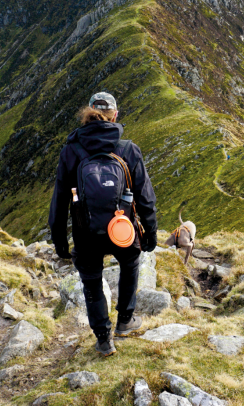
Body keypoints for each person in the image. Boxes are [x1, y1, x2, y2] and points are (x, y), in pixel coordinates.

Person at [48, 92, 158, 356]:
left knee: (92, 281)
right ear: (115, 116)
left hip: (86, 232)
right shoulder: (128, 149)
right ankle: (125, 321)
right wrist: (150, 232)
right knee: (131, 261)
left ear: (88, 116)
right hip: (122, 228)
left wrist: (60, 239)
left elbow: (60, 198)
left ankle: (103, 339)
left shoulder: (71, 150)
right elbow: (145, 197)